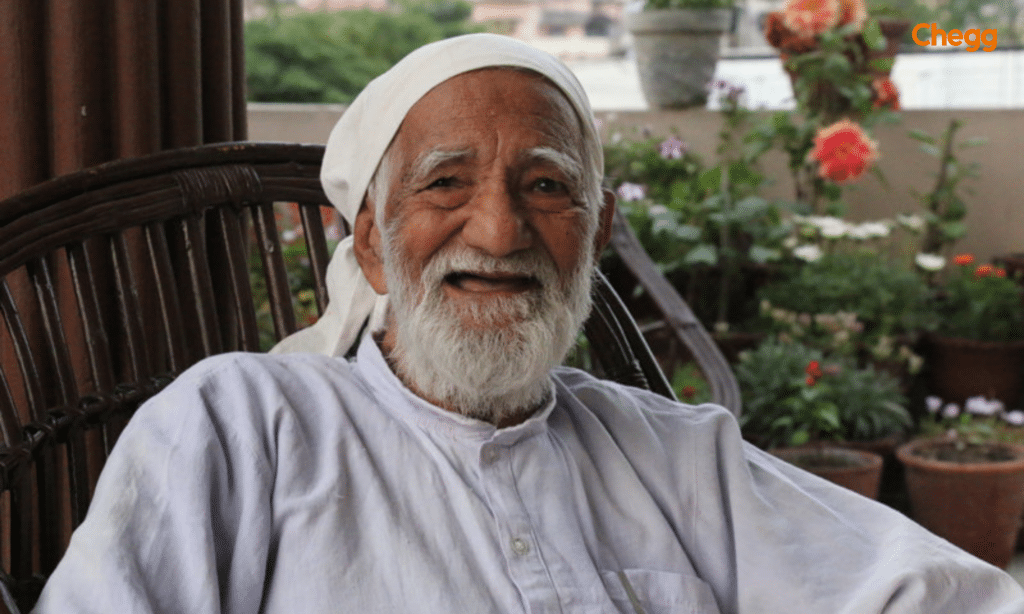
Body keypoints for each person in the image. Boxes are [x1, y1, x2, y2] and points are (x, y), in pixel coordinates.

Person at [33, 34, 1024, 613]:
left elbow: (930, 591)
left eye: (544, 185)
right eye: (447, 183)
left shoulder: (673, 452)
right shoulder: (241, 422)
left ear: (592, 235)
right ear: (372, 241)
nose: (500, 228)